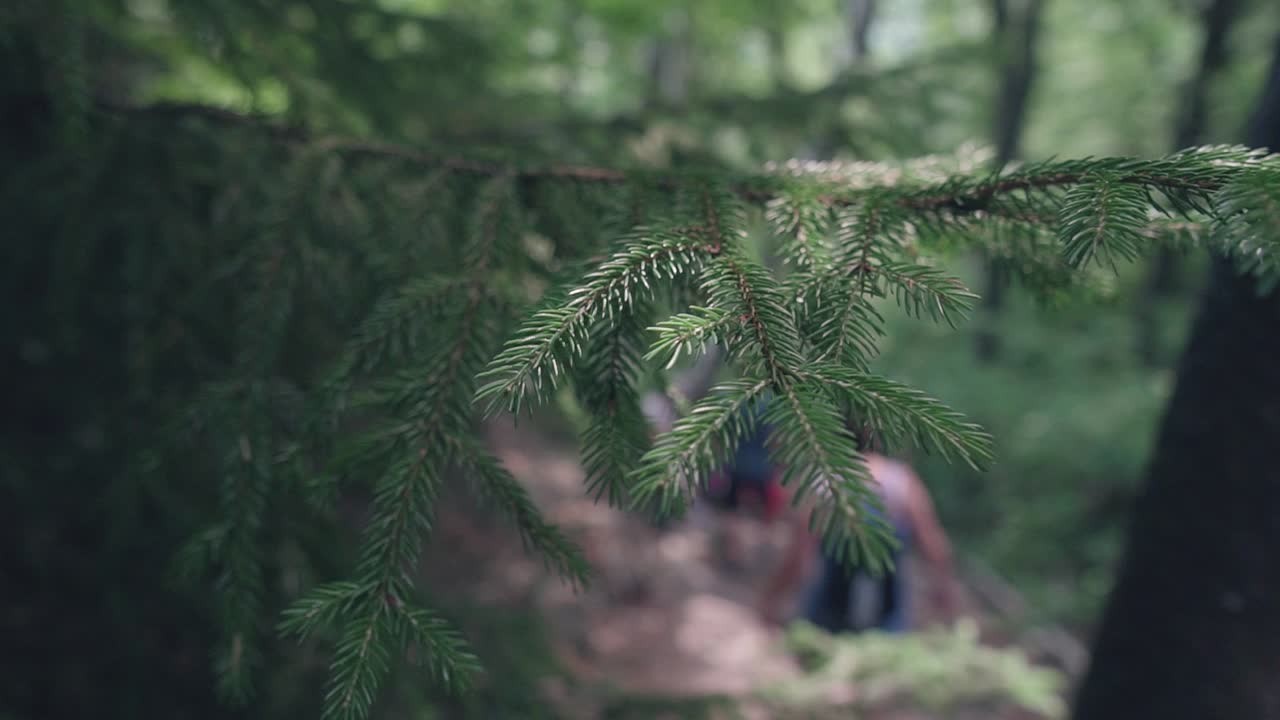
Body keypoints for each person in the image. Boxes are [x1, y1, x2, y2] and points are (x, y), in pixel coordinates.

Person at [757, 425, 960, 633]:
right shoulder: (901, 479)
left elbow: (800, 552)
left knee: (821, 628)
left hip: (833, 596)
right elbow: (932, 542)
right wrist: (944, 588)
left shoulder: (828, 478)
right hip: (885, 592)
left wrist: (773, 597)